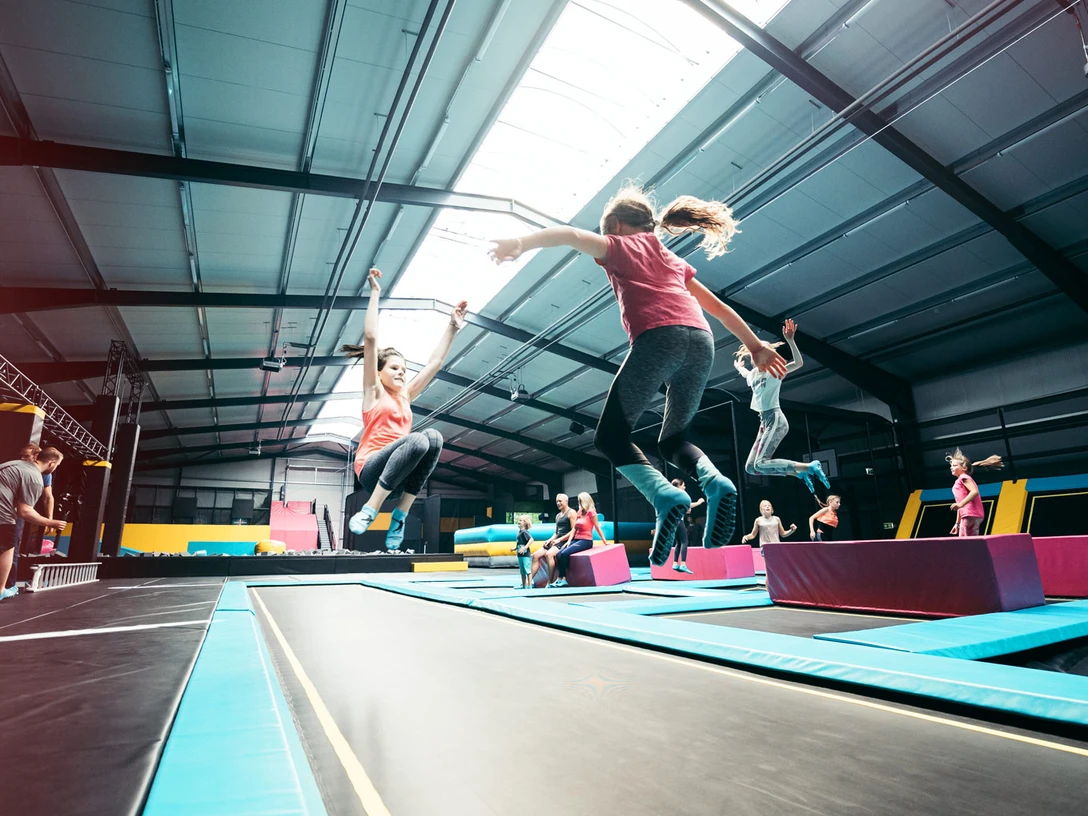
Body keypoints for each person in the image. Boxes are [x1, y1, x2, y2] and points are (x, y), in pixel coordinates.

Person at [491, 186, 787, 566]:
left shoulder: (618, 246)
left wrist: (520, 242)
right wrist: (756, 345)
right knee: (673, 439)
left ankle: (665, 497)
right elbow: (716, 306)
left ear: (614, 225)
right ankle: (715, 482)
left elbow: (570, 235)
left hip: (659, 338)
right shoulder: (671, 258)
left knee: (611, 436)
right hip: (702, 342)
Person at [343, 268, 468, 550]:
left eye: (405, 369)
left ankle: (400, 515)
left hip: (397, 477)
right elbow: (371, 338)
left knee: (434, 437)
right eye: (395, 368)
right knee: (418, 439)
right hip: (371, 471)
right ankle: (370, 510)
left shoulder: (406, 395)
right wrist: (375, 293)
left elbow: (434, 363)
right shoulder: (373, 392)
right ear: (379, 372)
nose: (402, 373)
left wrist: (452, 326)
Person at [734, 318, 829, 494]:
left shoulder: (774, 370)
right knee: (751, 468)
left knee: (761, 463)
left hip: (776, 419)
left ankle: (809, 466)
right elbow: (746, 374)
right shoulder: (754, 374)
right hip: (764, 423)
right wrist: (739, 367)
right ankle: (797, 473)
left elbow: (798, 364)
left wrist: (791, 341)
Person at [1, 446, 66, 600]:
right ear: (51, 463)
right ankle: (1, 590)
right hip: (2, 516)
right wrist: (51, 522)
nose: (55, 468)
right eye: (57, 465)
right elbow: (25, 512)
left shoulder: (14, 464)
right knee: (8, 549)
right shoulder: (35, 478)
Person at [7, 443, 56, 592]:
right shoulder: (15, 468)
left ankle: (9, 585)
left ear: (36, 457)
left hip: (17, 513)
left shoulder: (44, 474)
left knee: (11, 548)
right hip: (5, 508)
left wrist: (49, 520)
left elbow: (48, 497)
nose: (22, 458)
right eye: (21, 455)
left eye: (26, 456)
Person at [551, 492, 607, 588]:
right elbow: (574, 528)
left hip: (586, 540)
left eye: (580, 501)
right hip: (576, 539)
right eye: (578, 501)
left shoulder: (591, 513)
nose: (578, 503)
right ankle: (559, 579)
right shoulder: (579, 512)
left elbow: (597, 527)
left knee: (564, 554)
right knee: (559, 554)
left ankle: (563, 579)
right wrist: (569, 541)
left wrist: (604, 541)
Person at [946, 448, 1003, 537]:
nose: (951, 467)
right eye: (951, 465)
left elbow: (974, 492)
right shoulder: (960, 480)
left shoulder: (963, 477)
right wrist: (957, 523)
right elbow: (959, 504)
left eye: (954, 465)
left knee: (966, 543)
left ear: (964, 468)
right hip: (969, 514)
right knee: (969, 541)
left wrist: (961, 504)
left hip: (970, 514)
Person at [531, 493, 577, 588]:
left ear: (566, 501)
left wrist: (559, 540)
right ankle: (528, 581)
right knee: (535, 556)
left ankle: (550, 582)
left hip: (564, 541)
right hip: (557, 540)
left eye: (560, 501)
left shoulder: (571, 513)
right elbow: (556, 533)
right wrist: (549, 540)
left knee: (549, 554)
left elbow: (574, 530)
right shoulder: (558, 516)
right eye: (557, 501)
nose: (558, 503)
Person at [669, 478, 704, 574]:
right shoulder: (679, 495)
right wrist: (698, 502)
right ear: (678, 486)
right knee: (685, 541)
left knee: (678, 542)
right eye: (683, 485)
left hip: (672, 521)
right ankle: (683, 564)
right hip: (678, 521)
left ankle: (675, 563)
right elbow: (688, 504)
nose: (684, 487)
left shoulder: (671, 495)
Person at [515, 515, 534, 589]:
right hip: (520, 555)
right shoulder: (519, 532)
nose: (518, 521)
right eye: (518, 520)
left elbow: (531, 539)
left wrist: (525, 548)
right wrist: (515, 548)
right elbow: (519, 543)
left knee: (527, 571)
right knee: (522, 571)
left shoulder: (524, 532)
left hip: (526, 555)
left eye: (520, 520)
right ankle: (524, 585)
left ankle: (529, 585)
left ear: (525, 523)